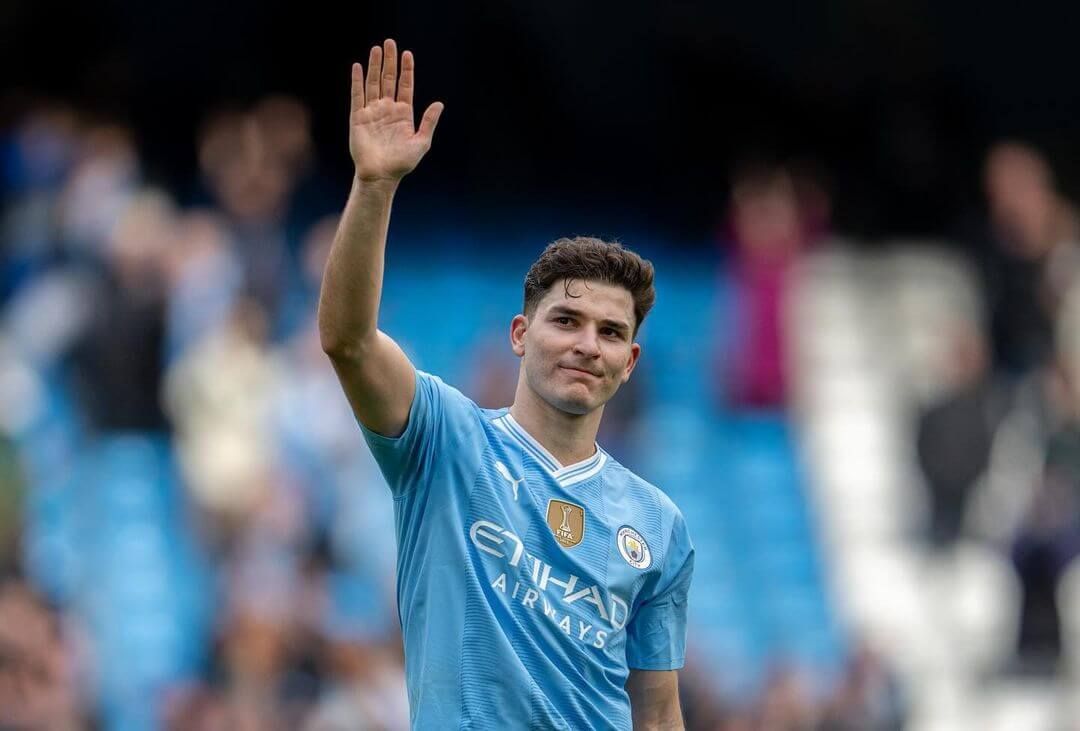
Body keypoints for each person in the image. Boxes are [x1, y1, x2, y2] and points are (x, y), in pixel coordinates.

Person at [318, 38, 694, 730]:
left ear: (631, 361)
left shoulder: (659, 526)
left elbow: (658, 710)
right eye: (567, 320)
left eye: (610, 332)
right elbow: (347, 339)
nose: (587, 344)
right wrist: (374, 187)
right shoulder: (443, 436)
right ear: (520, 334)